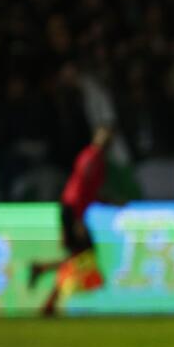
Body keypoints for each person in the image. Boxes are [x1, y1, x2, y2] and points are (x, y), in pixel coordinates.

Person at [28, 126, 113, 315]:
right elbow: (80, 190)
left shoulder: (95, 159)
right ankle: (48, 300)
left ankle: (43, 276)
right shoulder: (91, 159)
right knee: (80, 257)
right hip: (73, 211)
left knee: (78, 257)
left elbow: (88, 191)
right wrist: (77, 219)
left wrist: (110, 201)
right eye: (105, 136)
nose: (107, 141)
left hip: (73, 209)